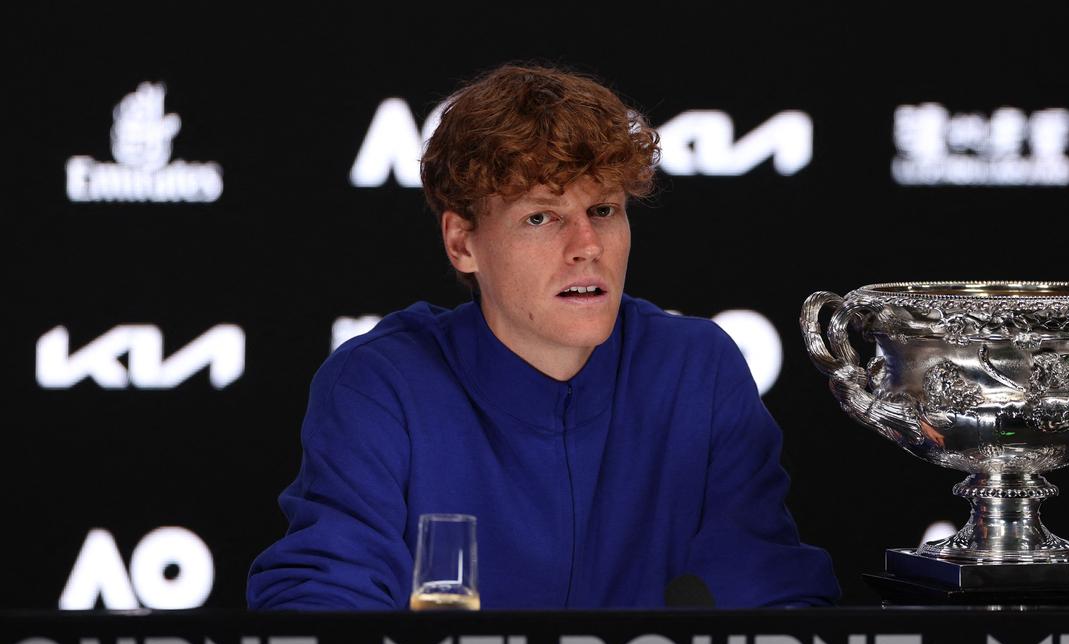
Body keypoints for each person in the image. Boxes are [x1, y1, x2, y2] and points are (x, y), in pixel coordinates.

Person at [246, 64, 839, 609]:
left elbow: (773, 604)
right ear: (462, 243)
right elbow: (322, 610)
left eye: (604, 210)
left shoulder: (696, 370)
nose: (587, 245)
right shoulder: (382, 384)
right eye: (541, 217)